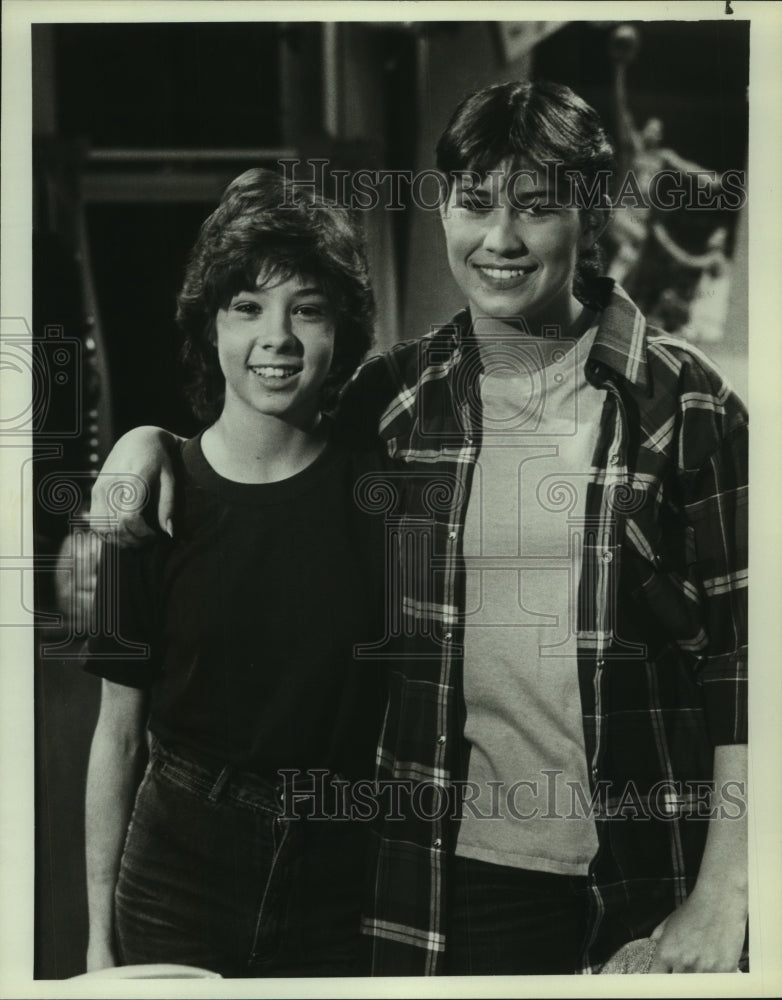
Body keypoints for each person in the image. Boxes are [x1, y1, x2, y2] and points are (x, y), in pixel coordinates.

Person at [89, 81, 748, 976]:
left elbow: (748, 670)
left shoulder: (689, 404)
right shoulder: (396, 399)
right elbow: (260, 440)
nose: (500, 240)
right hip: (454, 878)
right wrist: (145, 446)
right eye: (475, 204)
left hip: (652, 871)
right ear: (444, 208)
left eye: (537, 208)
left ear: (589, 219)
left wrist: (724, 898)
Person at [82, 167, 387, 978]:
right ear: (210, 327)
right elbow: (116, 736)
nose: (276, 338)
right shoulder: (144, 504)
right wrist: (94, 937)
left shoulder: (383, 493)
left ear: (340, 334)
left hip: (341, 875)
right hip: (177, 868)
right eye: (247, 307)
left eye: (307, 310)